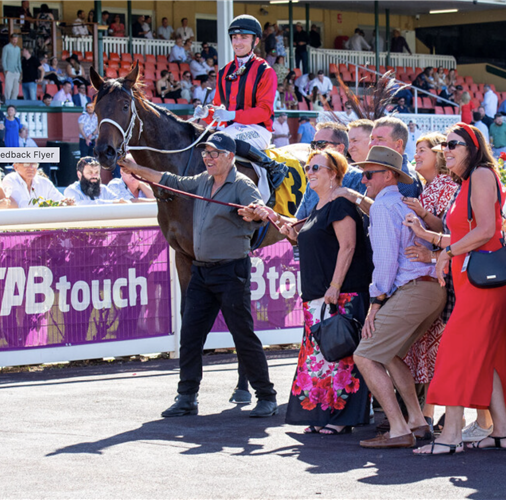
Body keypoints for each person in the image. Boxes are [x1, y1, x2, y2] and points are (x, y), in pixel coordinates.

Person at [117, 132, 278, 419]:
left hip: (231, 272)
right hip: (202, 273)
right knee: (190, 336)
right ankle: (187, 397)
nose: (208, 157)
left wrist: (254, 214)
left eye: (214, 153)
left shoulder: (242, 184)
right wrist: (133, 167)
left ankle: (266, 396)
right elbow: (166, 179)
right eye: (205, 152)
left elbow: (261, 212)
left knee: (243, 335)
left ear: (230, 157)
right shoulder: (201, 182)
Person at [407, 123, 506, 455]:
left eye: (454, 144)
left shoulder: (482, 174)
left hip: (483, 285)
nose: (447, 149)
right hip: (473, 280)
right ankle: (503, 432)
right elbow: (467, 235)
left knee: (455, 353)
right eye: (445, 144)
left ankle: (452, 435)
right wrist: (434, 240)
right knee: (488, 357)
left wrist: (446, 252)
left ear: (473, 148)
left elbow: (487, 229)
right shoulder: (466, 181)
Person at [261, 151, 372, 434]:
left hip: (341, 293)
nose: (309, 172)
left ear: (334, 173)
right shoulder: (319, 207)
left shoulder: (341, 205)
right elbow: (313, 242)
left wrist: (335, 286)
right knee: (320, 358)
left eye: (316, 168)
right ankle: (324, 414)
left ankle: (341, 417)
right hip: (318, 295)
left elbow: (347, 247)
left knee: (340, 356)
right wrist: (285, 229)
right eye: (307, 167)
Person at [350, 146, 446, 449]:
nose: (364, 180)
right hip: (431, 288)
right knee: (388, 353)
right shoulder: (402, 203)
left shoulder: (382, 206)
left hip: (415, 287)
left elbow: (387, 260)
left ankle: (398, 428)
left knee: (364, 355)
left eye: (368, 174)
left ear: (387, 175)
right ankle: (416, 423)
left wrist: (375, 302)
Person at [400, 132, 459, 427]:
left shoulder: (447, 186)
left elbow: (452, 232)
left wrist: (431, 256)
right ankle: (430, 414)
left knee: (443, 348)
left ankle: (445, 416)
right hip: (432, 277)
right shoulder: (427, 187)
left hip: (445, 276)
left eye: (423, 149)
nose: (417, 154)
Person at [195, 15, 277, 152]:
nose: (237, 42)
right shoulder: (224, 71)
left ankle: (268, 170)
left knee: (221, 141)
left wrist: (233, 115)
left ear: (255, 40)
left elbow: (264, 112)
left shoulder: (265, 71)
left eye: (244, 37)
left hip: (257, 129)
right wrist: (206, 114)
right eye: (234, 37)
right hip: (229, 127)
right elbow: (218, 110)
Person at [3, 162, 73, 207]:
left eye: (34, 164)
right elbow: (20, 205)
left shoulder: (44, 182)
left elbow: (59, 199)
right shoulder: (10, 180)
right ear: (15, 167)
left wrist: (66, 203)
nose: (31, 168)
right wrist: (48, 205)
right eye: (26, 164)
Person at [2, 34, 22, 103]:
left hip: (17, 71)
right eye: (13, 39)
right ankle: (6, 102)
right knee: (8, 89)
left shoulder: (18, 48)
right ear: (11, 39)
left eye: (16, 39)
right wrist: (5, 70)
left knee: (16, 89)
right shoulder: (6, 47)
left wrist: (20, 70)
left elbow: (18, 60)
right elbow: (3, 60)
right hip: (9, 71)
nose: (15, 41)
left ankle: (14, 103)